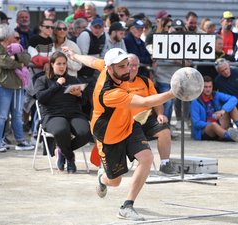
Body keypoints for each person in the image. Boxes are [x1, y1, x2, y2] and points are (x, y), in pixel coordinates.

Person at [62, 47, 175, 221]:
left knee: (147, 158)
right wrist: (173, 93)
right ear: (110, 68)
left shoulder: (108, 67)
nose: (127, 69)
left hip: (129, 125)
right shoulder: (108, 93)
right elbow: (144, 101)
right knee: (115, 181)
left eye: (127, 65)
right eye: (122, 67)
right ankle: (102, 178)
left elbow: (91, 61)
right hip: (109, 136)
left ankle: (127, 206)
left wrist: (74, 55)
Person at [34, 51, 91, 173]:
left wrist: (79, 94)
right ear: (52, 64)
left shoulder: (73, 79)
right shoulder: (42, 80)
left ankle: (62, 150)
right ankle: (70, 158)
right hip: (52, 114)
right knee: (61, 131)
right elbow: (41, 99)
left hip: (73, 113)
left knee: (86, 133)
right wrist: (57, 85)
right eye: (59, 64)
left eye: (64, 64)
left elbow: (84, 101)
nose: (62, 66)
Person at [127, 54, 176, 174]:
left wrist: (160, 114)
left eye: (136, 65)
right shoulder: (118, 83)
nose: (133, 68)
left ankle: (165, 164)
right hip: (127, 122)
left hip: (146, 119)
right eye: (130, 65)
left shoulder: (145, 81)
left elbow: (156, 100)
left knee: (164, 130)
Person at [0, 24, 34, 152]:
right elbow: (4, 62)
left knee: (17, 115)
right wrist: (19, 63)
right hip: (4, 86)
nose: (15, 38)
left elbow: (27, 57)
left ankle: (20, 141)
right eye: (13, 36)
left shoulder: (16, 47)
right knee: (2, 116)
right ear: (6, 36)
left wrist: (17, 59)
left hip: (18, 86)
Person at [191, 76, 238, 142]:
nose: (208, 89)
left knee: (232, 107)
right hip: (205, 130)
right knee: (213, 124)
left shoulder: (216, 95)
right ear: (201, 87)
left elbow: (233, 99)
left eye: (210, 87)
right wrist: (210, 124)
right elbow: (196, 123)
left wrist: (223, 110)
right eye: (205, 87)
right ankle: (231, 137)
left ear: (212, 87)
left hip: (220, 123)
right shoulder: (196, 102)